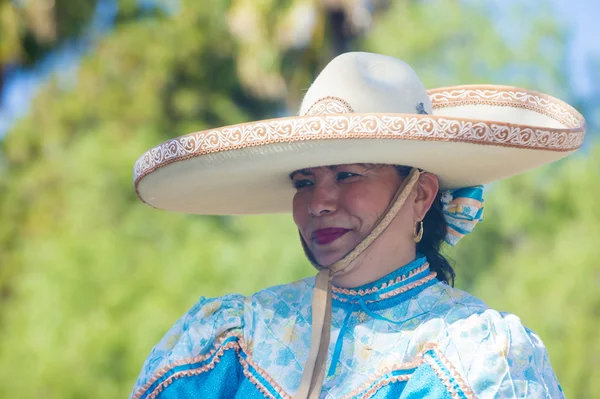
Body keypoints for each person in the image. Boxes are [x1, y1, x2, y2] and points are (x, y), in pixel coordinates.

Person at [129, 52, 586, 399]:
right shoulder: (236, 336)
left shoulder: (478, 353)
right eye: (305, 181)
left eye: (348, 174)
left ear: (420, 195)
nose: (320, 203)